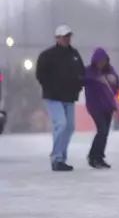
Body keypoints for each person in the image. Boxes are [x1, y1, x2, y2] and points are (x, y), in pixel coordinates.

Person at [35, 25, 85, 171]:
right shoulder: (47, 55)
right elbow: (40, 74)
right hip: (53, 96)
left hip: (69, 96)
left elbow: (81, 71)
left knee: (69, 127)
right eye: (64, 36)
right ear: (57, 38)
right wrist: (50, 87)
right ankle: (56, 157)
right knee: (61, 124)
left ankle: (61, 157)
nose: (67, 39)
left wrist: (78, 85)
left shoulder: (74, 54)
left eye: (69, 36)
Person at [84, 47, 119, 169]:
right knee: (102, 130)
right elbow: (84, 79)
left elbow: (116, 86)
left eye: (104, 61)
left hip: (108, 106)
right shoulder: (89, 71)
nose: (101, 64)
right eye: (99, 61)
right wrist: (97, 80)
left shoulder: (110, 71)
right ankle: (92, 156)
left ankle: (99, 157)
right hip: (95, 106)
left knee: (105, 133)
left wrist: (113, 81)